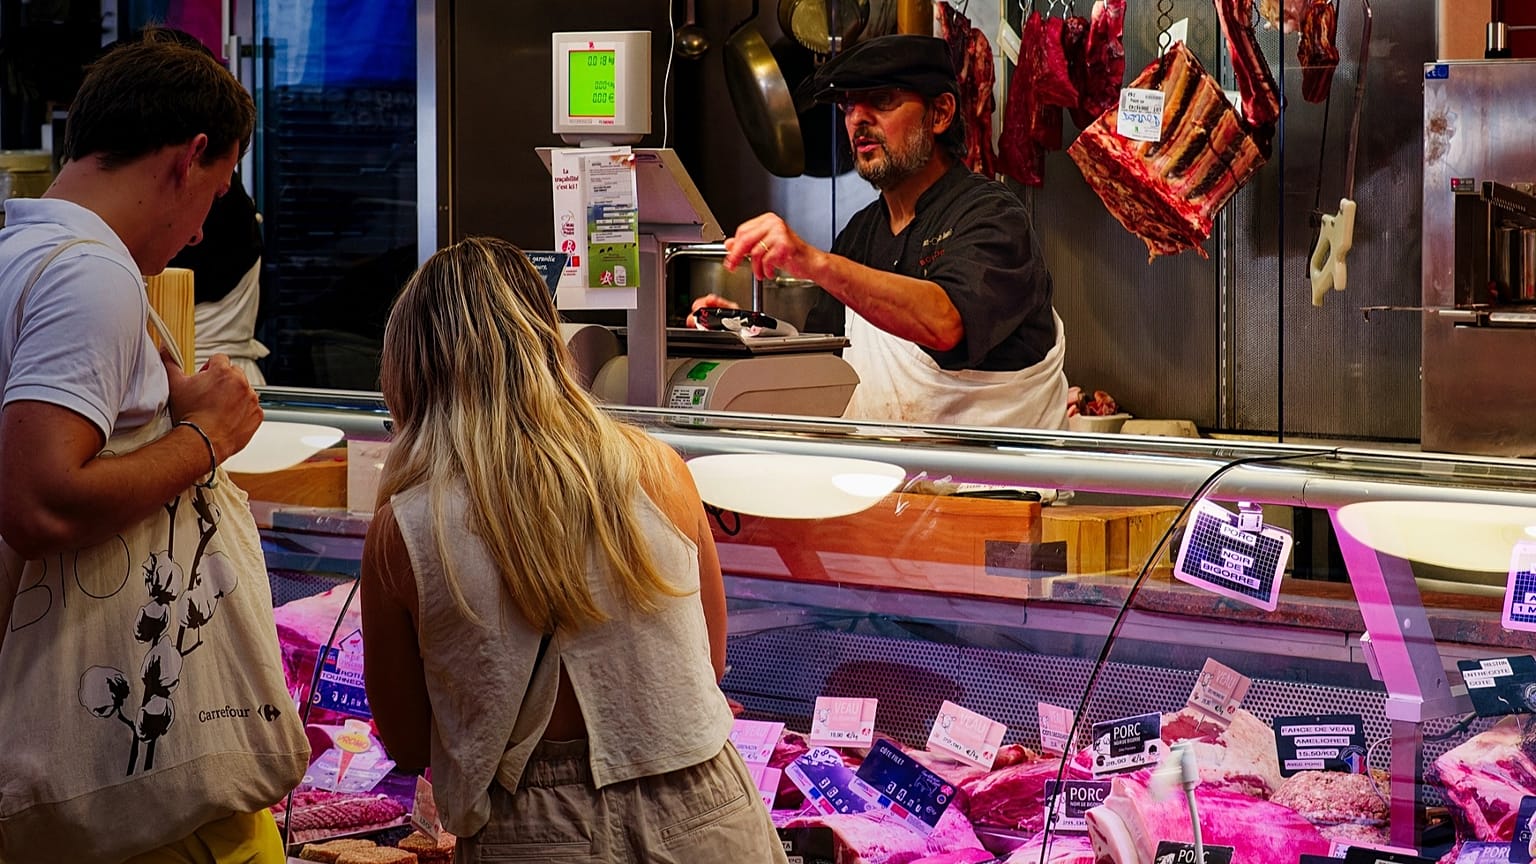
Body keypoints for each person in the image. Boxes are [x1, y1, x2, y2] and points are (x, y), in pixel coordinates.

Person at [359, 237, 786, 864]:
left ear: (410, 368)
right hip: (708, 806)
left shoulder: (404, 529)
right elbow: (711, 664)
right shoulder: (658, 468)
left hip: (534, 826)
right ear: (547, 342)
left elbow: (405, 740)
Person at [0, 29, 307, 864]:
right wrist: (208, 438)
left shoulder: (17, 252)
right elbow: (39, 501)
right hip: (121, 783)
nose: (206, 229)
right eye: (218, 189)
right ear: (191, 154)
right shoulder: (87, 273)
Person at [715, 34, 1069, 430]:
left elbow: (946, 323)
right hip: (885, 481)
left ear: (940, 114)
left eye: (882, 100)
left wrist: (815, 262)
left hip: (1000, 485)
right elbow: (820, 361)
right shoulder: (861, 232)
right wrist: (748, 331)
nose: (857, 119)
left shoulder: (992, 215)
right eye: (849, 104)